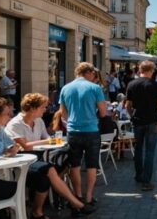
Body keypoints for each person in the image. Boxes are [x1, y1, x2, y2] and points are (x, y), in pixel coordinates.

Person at [0, 95, 96, 218]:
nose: (45, 110)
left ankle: (39, 211)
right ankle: (77, 204)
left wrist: (53, 141)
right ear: (33, 108)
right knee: (50, 170)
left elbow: (47, 138)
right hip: (21, 161)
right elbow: (25, 146)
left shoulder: (39, 121)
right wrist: (46, 142)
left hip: (38, 159)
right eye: (43, 107)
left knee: (65, 162)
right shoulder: (15, 124)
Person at [58, 62, 106, 207]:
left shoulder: (65, 88)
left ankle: (78, 195)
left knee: (75, 165)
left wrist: (72, 120)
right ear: (89, 73)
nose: (94, 77)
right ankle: (89, 196)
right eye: (93, 75)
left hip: (73, 131)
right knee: (92, 165)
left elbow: (63, 113)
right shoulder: (95, 88)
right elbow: (103, 113)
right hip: (91, 130)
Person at [125, 61, 157, 191]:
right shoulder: (156, 85)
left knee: (138, 149)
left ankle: (138, 174)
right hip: (152, 121)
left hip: (138, 121)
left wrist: (132, 114)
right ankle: (146, 181)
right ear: (152, 70)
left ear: (140, 70)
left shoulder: (132, 84)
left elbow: (128, 105)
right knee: (150, 151)